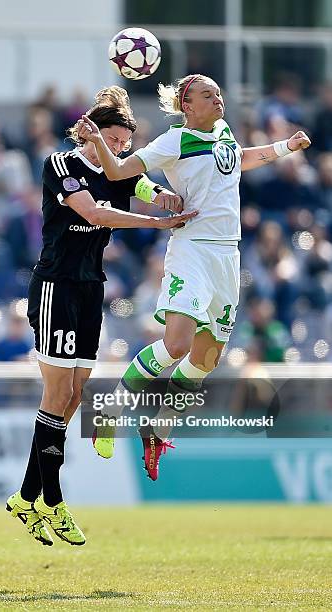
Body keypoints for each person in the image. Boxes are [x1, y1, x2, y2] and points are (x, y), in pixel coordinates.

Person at [78, 73, 311, 480]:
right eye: (208, 94)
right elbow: (117, 173)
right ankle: (109, 411)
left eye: (219, 92)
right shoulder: (174, 140)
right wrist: (98, 141)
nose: (218, 98)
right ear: (187, 105)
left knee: (205, 358)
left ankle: (157, 426)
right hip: (192, 249)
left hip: (228, 256)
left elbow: (238, 159)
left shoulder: (222, 131)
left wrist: (284, 147)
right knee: (176, 344)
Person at [6, 86, 196, 547]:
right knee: (56, 394)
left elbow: (146, 187)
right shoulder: (60, 164)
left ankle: (26, 496)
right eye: (113, 141)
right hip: (56, 284)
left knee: (74, 395)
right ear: (90, 133)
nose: (120, 150)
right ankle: (51, 500)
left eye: (125, 145)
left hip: (92, 287)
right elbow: (93, 213)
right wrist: (155, 223)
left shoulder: (119, 171)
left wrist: (168, 199)